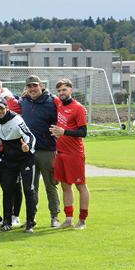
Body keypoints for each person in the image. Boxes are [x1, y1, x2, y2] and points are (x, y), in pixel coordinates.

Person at [19, 75, 61, 228]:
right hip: (29, 151)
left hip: (47, 149)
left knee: (50, 184)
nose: (32, 89)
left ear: (41, 86)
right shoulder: (24, 101)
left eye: (35, 86)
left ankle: (55, 217)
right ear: (26, 89)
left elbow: (64, 113)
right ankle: (31, 218)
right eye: (29, 87)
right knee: (31, 187)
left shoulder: (52, 102)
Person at [0, 98, 37, 233]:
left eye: (2, 108)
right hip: (10, 161)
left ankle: (30, 222)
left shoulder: (16, 120)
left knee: (29, 190)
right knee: (7, 190)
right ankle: (7, 222)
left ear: (7, 108)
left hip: (25, 158)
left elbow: (30, 135)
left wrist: (27, 146)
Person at [50, 79, 89, 230]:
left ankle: (83, 220)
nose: (61, 93)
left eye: (64, 90)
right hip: (61, 152)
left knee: (81, 185)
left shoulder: (78, 108)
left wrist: (64, 132)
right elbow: (47, 94)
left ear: (71, 91)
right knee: (66, 185)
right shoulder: (58, 102)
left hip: (75, 153)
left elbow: (83, 132)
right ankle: (69, 219)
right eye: (59, 91)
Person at [0, 79, 23, 227]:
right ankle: (1, 216)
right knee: (3, 186)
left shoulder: (13, 102)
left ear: (1, 89)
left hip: (14, 152)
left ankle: (16, 215)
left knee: (16, 185)